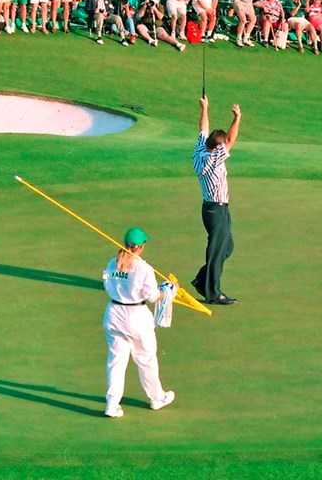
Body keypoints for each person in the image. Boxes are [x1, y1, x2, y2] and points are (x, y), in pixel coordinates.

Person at [101, 227, 176, 419]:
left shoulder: (112, 263)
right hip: (136, 317)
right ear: (141, 247)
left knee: (116, 362)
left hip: (114, 315)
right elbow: (153, 296)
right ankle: (157, 398)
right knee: (146, 359)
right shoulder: (143, 268)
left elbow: (107, 286)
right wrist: (168, 290)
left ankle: (111, 404)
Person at [191, 96, 241, 305]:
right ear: (217, 147)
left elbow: (203, 128)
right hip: (216, 210)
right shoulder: (214, 157)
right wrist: (237, 118)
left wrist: (205, 108)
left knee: (226, 246)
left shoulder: (201, 150)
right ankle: (213, 293)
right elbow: (230, 140)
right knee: (216, 250)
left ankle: (202, 279)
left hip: (212, 209)